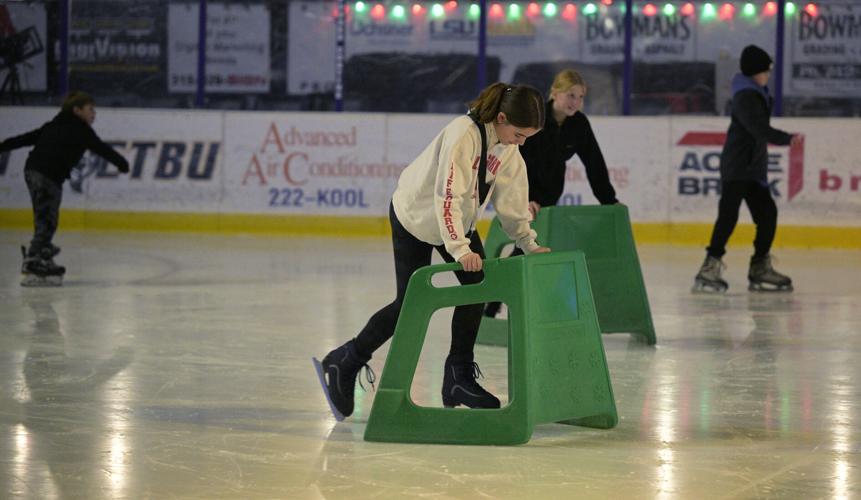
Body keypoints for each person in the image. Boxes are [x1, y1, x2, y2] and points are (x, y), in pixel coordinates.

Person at [312, 82, 551, 420]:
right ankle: (344, 361)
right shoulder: (462, 135)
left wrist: (529, 244)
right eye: (519, 133)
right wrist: (459, 249)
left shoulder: (507, 148)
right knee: (409, 304)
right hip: (416, 217)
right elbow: (447, 197)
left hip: (455, 223)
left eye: (527, 137)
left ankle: (458, 376)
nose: (522, 142)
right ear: (500, 117)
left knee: (477, 289)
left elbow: (512, 203)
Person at [484, 68, 619, 318]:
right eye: (571, 95)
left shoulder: (579, 124)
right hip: (523, 192)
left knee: (530, 247)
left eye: (581, 97)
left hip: (549, 197)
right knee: (522, 246)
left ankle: (502, 299)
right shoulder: (536, 118)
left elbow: (594, 163)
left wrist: (609, 201)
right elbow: (514, 161)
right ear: (555, 93)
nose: (576, 102)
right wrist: (523, 200)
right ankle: (495, 298)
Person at [693, 45, 800, 293]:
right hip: (738, 166)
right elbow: (758, 128)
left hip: (751, 167)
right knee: (729, 216)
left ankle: (759, 267)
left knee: (767, 215)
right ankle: (709, 268)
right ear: (756, 71)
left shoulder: (755, 92)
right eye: (766, 71)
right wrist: (786, 138)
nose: (768, 75)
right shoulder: (746, 96)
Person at [0, 91, 130, 282]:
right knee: (48, 218)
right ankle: (34, 257)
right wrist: (122, 164)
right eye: (90, 109)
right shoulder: (82, 131)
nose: (94, 114)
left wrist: (2, 146)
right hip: (48, 176)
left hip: (33, 171)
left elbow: (25, 139)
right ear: (77, 110)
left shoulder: (53, 125)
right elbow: (102, 149)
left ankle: (43, 251)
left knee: (44, 215)